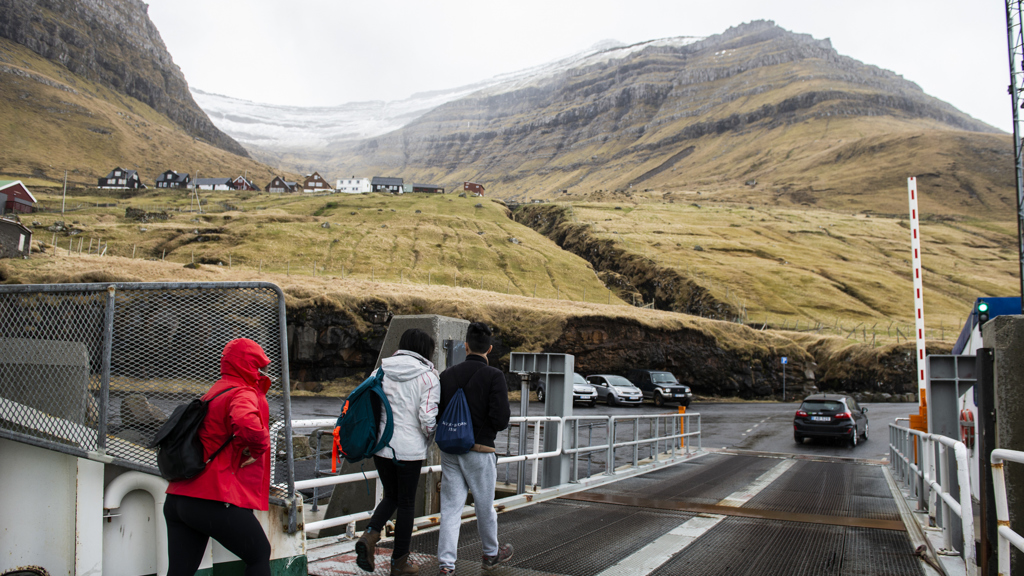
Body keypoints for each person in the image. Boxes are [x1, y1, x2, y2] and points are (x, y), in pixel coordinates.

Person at [164, 338, 273, 576]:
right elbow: (248, 425)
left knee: (180, 571)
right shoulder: (242, 393)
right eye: (259, 365)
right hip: (211, 497)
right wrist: (257, 450)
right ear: (248, 366)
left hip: (178, 498)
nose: (263, 371)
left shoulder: (214, 392)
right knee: (259, 555)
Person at [356, 329, 440, 575]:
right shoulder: (429, 377)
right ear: (425, 350)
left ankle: (370, 534)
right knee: (405, 503)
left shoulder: (380, 371)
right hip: (410, 451)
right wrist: (430, 436)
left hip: (382, 447)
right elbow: (427, 419)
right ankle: (399, 562)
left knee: (390, 495)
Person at [435, 322, 513, 576]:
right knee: (484, 506)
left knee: (450, 508)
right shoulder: (494, 376)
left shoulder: (446, 375)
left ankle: (446, 565)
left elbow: (437, 413)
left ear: (465, 345)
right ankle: (491, 553)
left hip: (449, 450)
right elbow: (501, 420)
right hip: (480, 450)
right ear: (488, 349)